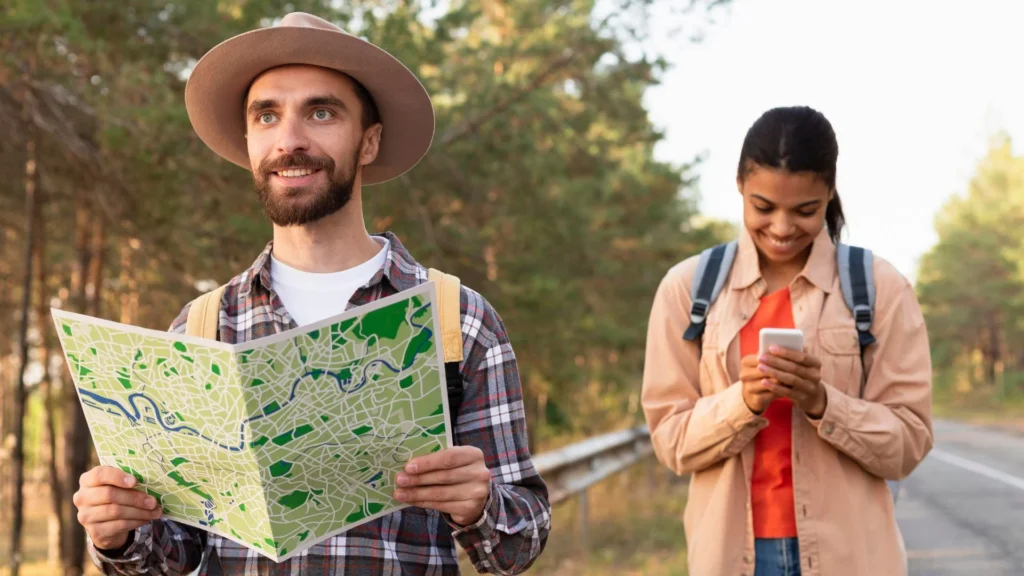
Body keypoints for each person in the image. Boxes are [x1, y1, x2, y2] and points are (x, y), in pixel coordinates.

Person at [72, 12, 550, 575]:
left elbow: (519, 544)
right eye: (267, 116)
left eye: (321, 112)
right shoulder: (200, 329)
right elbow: (175, 557)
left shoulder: (457, 321)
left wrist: (480, 505)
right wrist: (118, 535)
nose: (290, 140)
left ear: (368, 141)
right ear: (249, 142)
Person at [641, 106, 933, 576]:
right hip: (729, 555)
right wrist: (743, 403)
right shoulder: (688, 288)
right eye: (763, 207)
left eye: (805, 211)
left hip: (852, 557)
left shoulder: (881, 288)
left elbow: (909, 443)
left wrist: (822, 402)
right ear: (739, 184)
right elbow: (671, 443)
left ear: (830, 193)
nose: (781, 228)